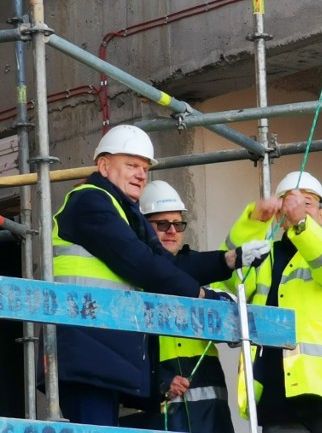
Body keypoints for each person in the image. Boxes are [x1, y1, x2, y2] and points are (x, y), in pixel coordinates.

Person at [50, 124, 268, 427]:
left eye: (145, 167)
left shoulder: (123, 211)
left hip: (104, 349)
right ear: (103, 165)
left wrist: (228, 260)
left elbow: (165, 265)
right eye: (131, 165)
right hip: (87, 348)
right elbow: (142, 263)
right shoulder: (89, 202)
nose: (141, 173)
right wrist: (203, 296)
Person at [221, 171, 322, 433]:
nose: (298, 208)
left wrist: (302, 225)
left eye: (308, 203)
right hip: (277, 397)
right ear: (280, 215)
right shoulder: (265, 254)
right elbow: (229, 276)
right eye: (290, 203)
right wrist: (254, 223)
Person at [139, 180, 241, 433]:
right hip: (156, 413)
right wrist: (160, 381)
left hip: (209, 416)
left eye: (178, 224)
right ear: (142, 227)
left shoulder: (197, 272)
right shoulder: (130, 281)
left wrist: (204, 296)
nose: (172, 231)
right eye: (162, 224)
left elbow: (233, 314)